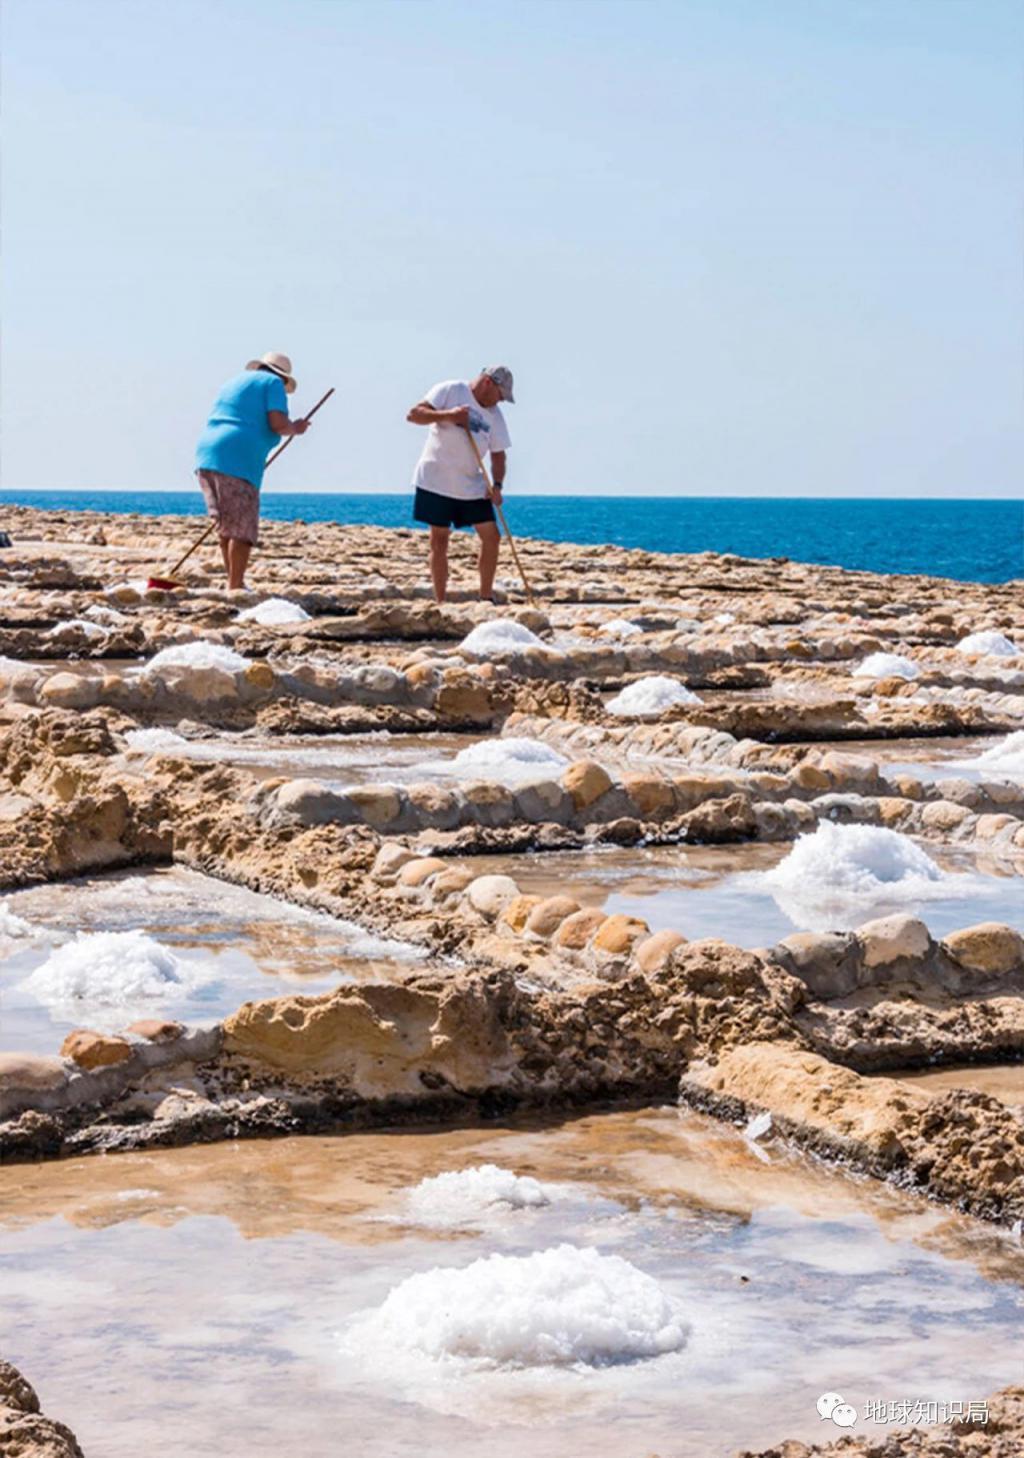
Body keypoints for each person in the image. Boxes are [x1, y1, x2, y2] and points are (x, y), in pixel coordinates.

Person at [194, 352, 309, 590]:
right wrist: (295, 428)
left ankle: (233, 583)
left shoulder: (234, 382)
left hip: (208, 456)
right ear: (283, 377)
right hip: (237, 459)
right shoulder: (273, 383)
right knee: (242, 528)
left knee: (226, 526)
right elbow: (277, 423)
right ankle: (235, 586)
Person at [406, 366, 514, 603]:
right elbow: (414, 415)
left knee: (491, 537)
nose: (501, 401)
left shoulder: (495, 415)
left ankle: (485, 598)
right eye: (500, 394)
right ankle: (440, 602)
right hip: (435, 480)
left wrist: (497, 485)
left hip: (471, 484)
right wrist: (450, 415)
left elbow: (498, 455)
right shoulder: (451, 390)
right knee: (439, 540)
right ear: (488, 382)